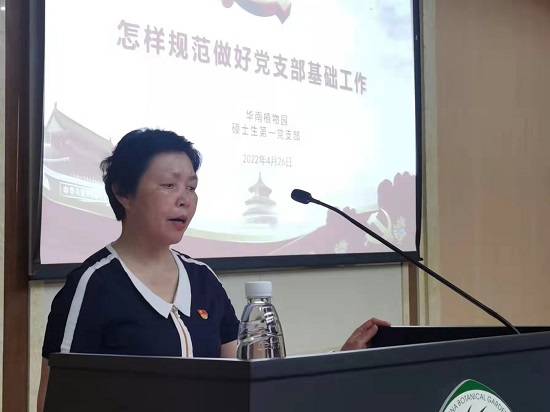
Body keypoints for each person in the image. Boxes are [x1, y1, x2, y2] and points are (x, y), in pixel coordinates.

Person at [37, 128, 390, 411]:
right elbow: (54, 402)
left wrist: (341, 361)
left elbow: (251, 384)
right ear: (123, 193)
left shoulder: (202, 279)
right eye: (168, 185)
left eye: (191, 187)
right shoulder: (92, 285)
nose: (185, 199)